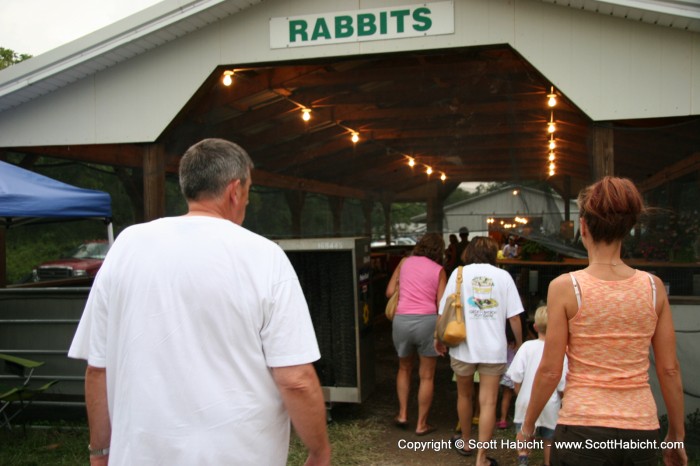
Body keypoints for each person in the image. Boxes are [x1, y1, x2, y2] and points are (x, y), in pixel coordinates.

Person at [68, 138, 331, 466]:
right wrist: (319, 452)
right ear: (235, 191)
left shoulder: (127, 246)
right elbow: (295, 379)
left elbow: (98, 368)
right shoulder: (265, 256)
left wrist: (100, 452)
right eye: (247, 195)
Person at [517, 176, 687, 466]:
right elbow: (669, 369)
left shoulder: (565, 287)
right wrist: (676, 433)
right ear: (628, 229)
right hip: (641, 430)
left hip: (582, 430)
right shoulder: (653, 287)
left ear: (583, 227)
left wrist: (528, 426)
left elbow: (549, 371)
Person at [435, 236, 524, 465]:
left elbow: (443, 310)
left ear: (469, 251)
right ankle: (481, 458)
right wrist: (520, 343)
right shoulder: (503, 277)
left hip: (463, 345)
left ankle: (465, 442)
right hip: (494, 349)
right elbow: (514, 316)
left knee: (465, 395)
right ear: (494, 253)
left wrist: (438, 336)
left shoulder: (459, 273)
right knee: (488, 403)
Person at [386, 232, 447, 436]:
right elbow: (442, 305)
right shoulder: (439, 270)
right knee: (427, 376)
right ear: (439, 251)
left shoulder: (404, 262)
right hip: (427, 322)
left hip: (402, 320)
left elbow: (388, 293)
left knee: (404, 368)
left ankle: (403, 414)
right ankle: (421, 424)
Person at [507, 306, 567, 466]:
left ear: (534, 326)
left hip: (526, 400)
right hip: (550, 402)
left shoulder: (526, 347)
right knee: (549, 438)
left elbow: (516, 377)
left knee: (525, 432)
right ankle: (548, 462)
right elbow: (562, 385)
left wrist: (520, 394)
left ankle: (523, 457)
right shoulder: (560, 351)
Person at [496, 326, 517, 430]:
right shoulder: (518, 344)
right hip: (515, 371)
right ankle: (509, 419)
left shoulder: (501, 341)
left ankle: (501, 419)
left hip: (503, 370)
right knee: (513, 395)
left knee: (502, 395)